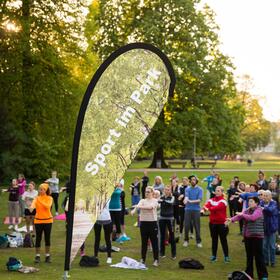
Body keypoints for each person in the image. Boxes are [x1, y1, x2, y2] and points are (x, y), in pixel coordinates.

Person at [226, 197, 268, 280]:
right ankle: (249, 274)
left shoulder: (259, 210)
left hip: (257, 237)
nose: (249, 203)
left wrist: (242, 214)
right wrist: (231, 219)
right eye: (249, 202)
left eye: (251, 201)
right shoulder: (248, 210)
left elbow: (252, 218)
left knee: (259, 257)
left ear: (256, 203)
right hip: (248, 237)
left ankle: (263, 275)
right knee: (249, 256)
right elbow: (239, 217)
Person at [131, 186, 159, 267]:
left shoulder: (155, 201)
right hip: (143, 223)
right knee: (144, 242)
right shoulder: (142, 200)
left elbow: (150, 208)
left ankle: (156, 260)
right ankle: (143, 259)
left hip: (152, 223)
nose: (146, 193)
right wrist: (134, 210)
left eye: (148, 192)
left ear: (152, 193)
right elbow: (138, 206)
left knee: (154, 243)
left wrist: (137, 207)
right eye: (146, 191)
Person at [202, 186, 230, 262]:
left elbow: (216, 208)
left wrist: (207, 209)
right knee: (214, 240)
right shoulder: (211, 200)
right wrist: (203, 209)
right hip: (213, 224)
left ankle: (226, 256)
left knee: (223, 240)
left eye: (219, 191)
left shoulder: (223, 201)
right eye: (216, 190)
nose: (217, 192)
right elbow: (205, 206)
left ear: (222, 192)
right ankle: (214, 256)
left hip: (221, 224)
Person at [30, 183, 53, 263]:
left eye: (42, 189)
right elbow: (32, 206)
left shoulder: (49, 198)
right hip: (38, 221)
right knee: (38, 238)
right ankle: (37, 256)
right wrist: (31, 207)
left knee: (47, 238)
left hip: (48, 220)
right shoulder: (36, 198)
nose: (40, 191)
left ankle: (47, 255)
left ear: (45, 190)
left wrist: (39, 200)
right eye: (39, 189)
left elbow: (47, 206)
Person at [183, 175, 203, 248]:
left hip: (196, 210)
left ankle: (198, 241)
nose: (193, 181)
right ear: (190, 181)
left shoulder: (200, 189)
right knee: (187, 226)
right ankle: (186, 240)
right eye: (191, 180)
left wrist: (191, 201)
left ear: (196, 181)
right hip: (188, 210)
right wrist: (185, 200)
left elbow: (199, 200)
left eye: (194, 180)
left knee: (197, 226)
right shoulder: (187, 189)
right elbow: (187, 197)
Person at [158, 185, 176, 260]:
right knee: (162, 235)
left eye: (168, 190)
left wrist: (163, 201)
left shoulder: (172, 197)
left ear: (170, 191)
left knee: (171, 235)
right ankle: (162, 253)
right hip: (162, 218)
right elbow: (158, 202)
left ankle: (173, 254)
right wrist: (162, 200)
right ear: (164, 190)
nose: (167, 191)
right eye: (165, 189)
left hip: (170, 218)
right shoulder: (161, 197)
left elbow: (170, 203)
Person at [261, 190, 278, 267]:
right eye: (264, 196)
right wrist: (263, 208)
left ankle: (273, 261)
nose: (264, 197)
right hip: (263, 227)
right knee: (264, 246)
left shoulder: (274, 203)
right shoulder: (261, 203)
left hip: (272, 228)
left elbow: (270, 211)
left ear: (270, 196)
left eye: (266, 196)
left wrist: (263, 208)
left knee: (272, 246)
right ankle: (266, 261)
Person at [94, 200, 113, 264]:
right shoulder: (95, 196)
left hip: (107, 219)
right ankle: (95, 256)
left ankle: (109, 257)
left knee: (107, 239)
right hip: (97, 219)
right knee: (97, 238)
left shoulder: (108, 196)